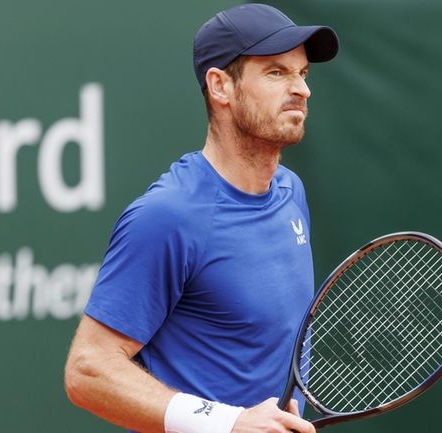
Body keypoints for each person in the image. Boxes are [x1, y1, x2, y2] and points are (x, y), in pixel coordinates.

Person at [64, 3, 338, 433]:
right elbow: (87, 371)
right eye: (276, 73)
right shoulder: (169, 216)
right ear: (220, 87)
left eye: (302, 74)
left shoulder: (290, 192)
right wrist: (230, 423)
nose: (301, 89)